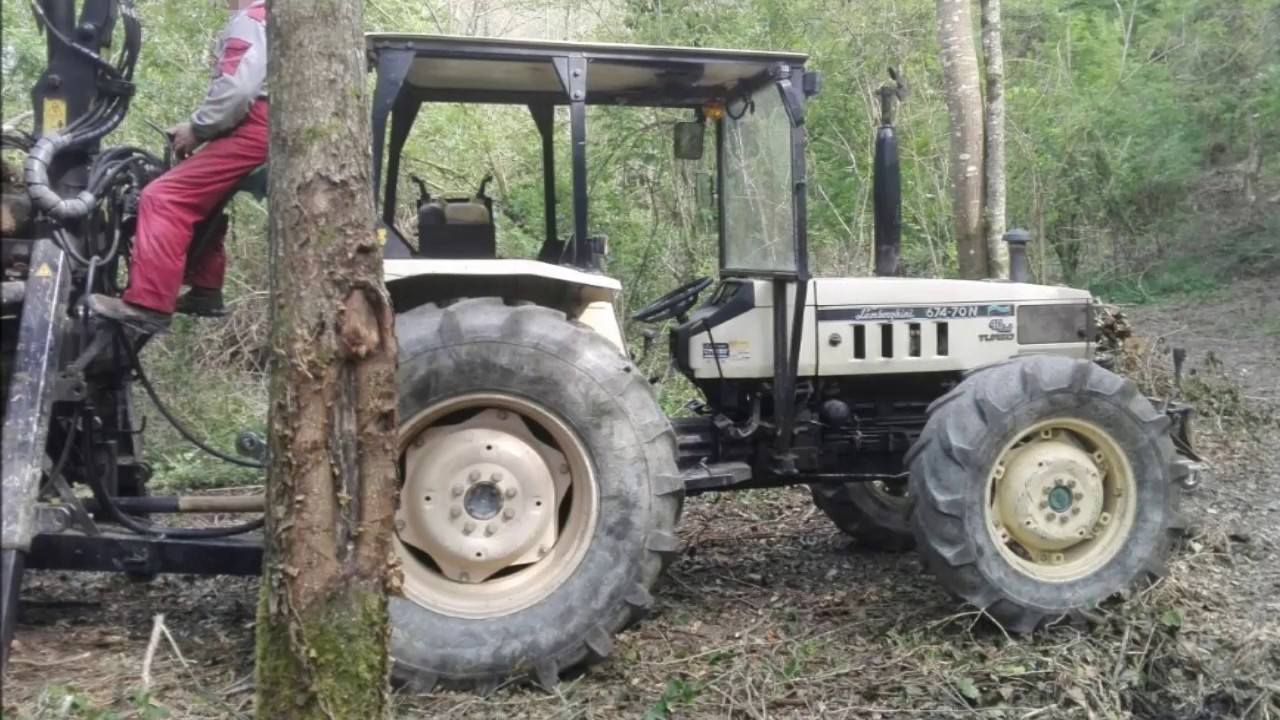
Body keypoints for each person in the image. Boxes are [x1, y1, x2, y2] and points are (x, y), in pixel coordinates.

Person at [90, 0, 268, 333]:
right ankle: (206, 287)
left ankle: (148, 303)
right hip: (264, 126)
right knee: (204, 198)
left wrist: (198, 129)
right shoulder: (269, 17)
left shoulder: (250, 19)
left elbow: (238, 91)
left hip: (257, 127)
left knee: (163, 197)